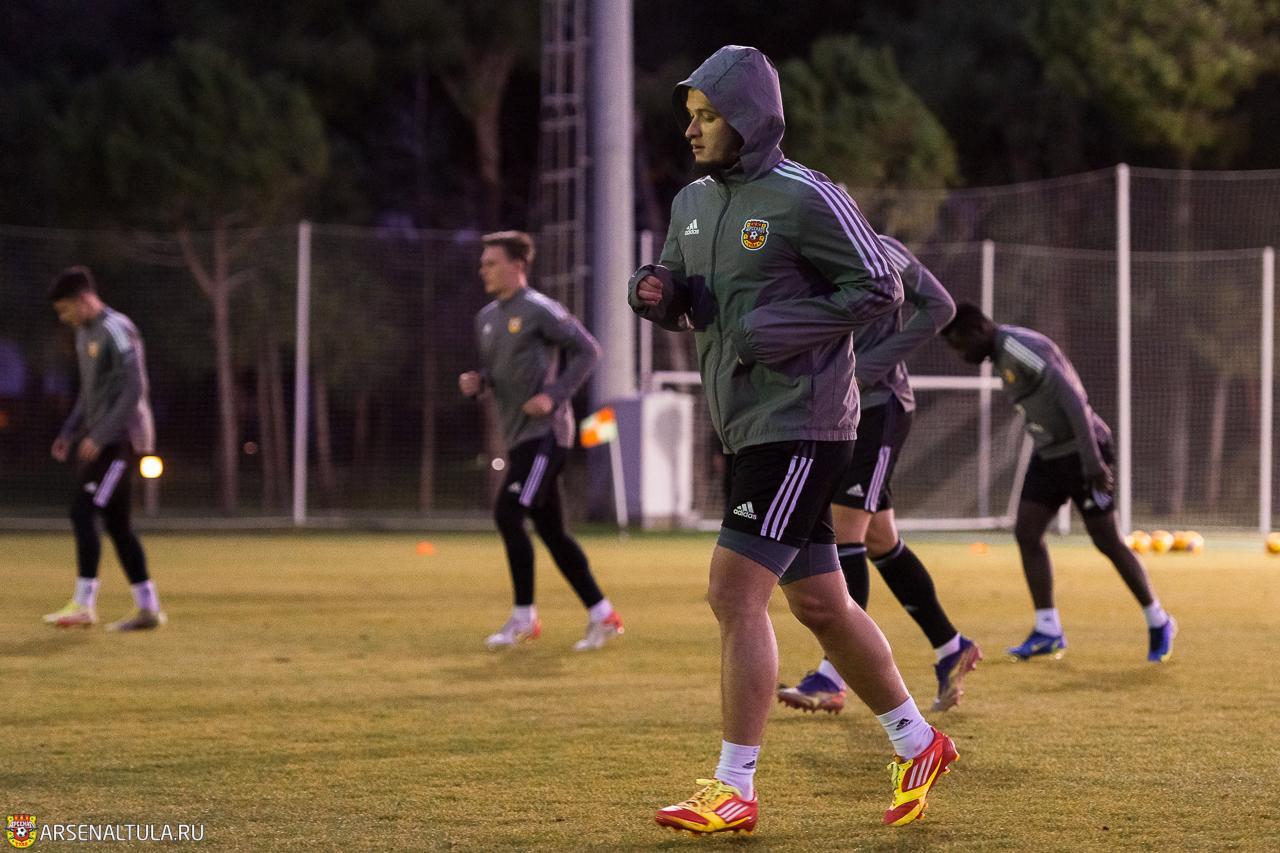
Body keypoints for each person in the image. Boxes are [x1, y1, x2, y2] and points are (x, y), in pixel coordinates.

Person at [631, 46, 956, 834]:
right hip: (746, 423)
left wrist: (783, 326)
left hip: (802, 422)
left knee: (733, 593)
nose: (692, 129)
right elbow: (689, 298)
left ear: (749, 120)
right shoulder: (690, 202)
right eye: (690, 116)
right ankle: (919, 741)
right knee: (821, 602)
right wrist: (656, 291)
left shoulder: (807, 196)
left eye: (709, 116)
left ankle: (734, 786)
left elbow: (880, 286)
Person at [778, 236, 981, 716]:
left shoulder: (877, 247)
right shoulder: (803, 250)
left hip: (878, 406)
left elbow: (940, 306)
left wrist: (869, 365)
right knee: (879, 540)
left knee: (845, 533)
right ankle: (950, 645)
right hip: (842, 410)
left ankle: (833, 675)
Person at [940, 302, 1177, 662]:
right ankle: (1048, 629)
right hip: (1049, 455)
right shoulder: (1001, 356)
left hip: (1083, 451)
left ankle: (1159, 620)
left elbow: (1072, 398)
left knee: (1107, 540)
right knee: (1027, 532)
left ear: (979, 329)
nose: (961, 354)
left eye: (960, 345)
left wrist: (1092, 461)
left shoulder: (1018, 347)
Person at [459, 230, 623, 652]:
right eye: (483, 263)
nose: (483, 269)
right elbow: (501, 373)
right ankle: (603, 615)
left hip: (547, 435)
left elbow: (589, 350)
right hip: (518, 437)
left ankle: (523, 617)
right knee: (553, 533)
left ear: (518, 266)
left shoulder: (540, 310)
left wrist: (554, 395)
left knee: (509, 512)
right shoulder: (486, 318)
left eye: (491, 262)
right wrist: (479, 383)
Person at [43, 266, 165, 631]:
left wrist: (101, 435)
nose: (63, 318)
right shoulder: (85, 334)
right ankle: (148, 608)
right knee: (118, 524)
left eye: (65, 310)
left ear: (83, 300)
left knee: (83, 511)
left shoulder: (117, 328)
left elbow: (134, 387)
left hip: (123, 441)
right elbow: (90, 391)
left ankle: (83, 604)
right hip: (104, 440)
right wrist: (70, 431)